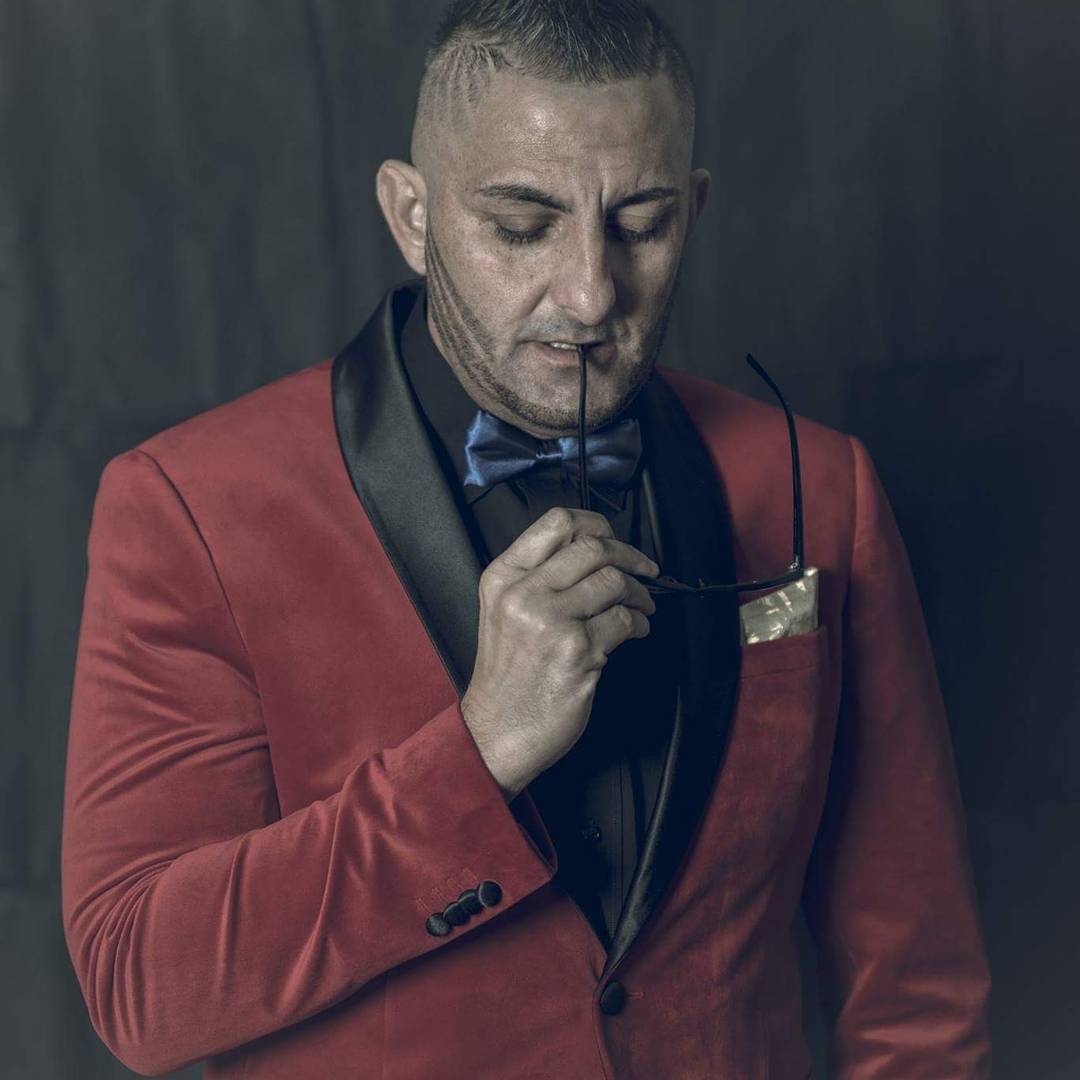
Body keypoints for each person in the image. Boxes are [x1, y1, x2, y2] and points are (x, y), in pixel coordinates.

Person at [60, 1, 992, 1077]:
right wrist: (479, 750)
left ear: (693, 209)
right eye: (521, 226)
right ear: (412, 215)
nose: (592, 294)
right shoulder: (190, 506)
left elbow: (914, 986)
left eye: (640, 224)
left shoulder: (820, 488)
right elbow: (142, 985)